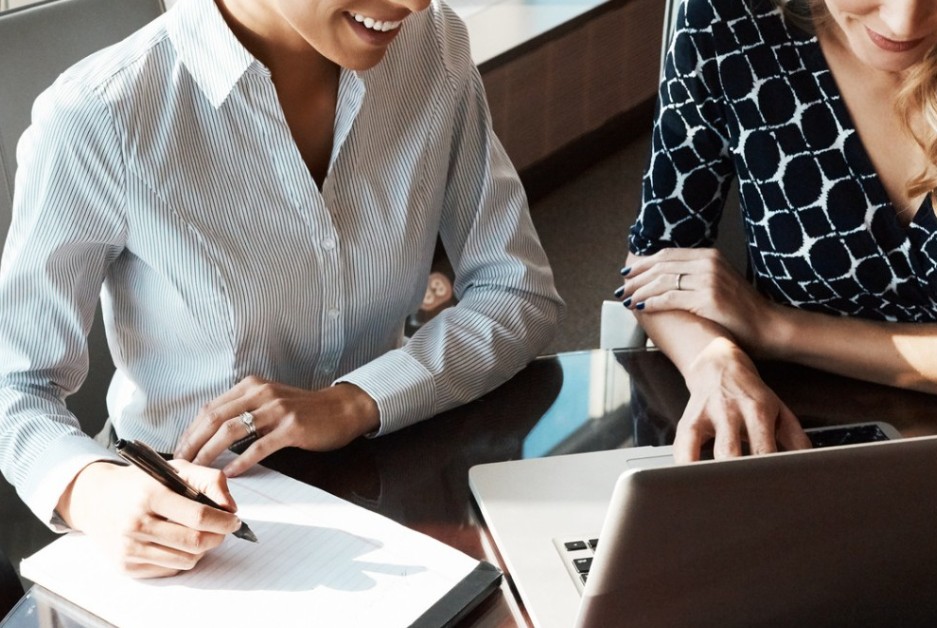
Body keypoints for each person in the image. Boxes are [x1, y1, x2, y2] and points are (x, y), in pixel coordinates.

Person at [0, 0, 563, 577]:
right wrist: (94, 492)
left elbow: (516, 292)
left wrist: (357, 400)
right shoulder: (101, 115)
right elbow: (15, 389)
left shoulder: (434, 45)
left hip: (387, 480)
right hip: (193, 526)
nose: (415, 1)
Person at [615, 0, 937, 462]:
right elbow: (658, 259)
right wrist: (715, 363)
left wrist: (780, 330)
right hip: (787, 446)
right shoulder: (728, 15)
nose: (902, 19)